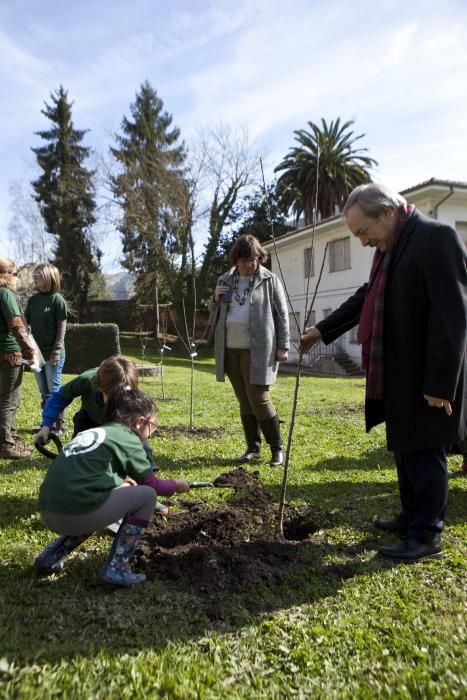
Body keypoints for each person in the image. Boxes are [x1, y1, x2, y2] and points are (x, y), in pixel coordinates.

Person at [301, 183, 466, 563]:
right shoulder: (389, 251)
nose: (361, 242)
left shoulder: (435, 238)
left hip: (427, 374)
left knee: (425, 452)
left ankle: (426, 536)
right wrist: (322, 330)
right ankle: (410, 517)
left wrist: (442, 383)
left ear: (387, 213)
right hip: (397, 371)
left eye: (363, 232)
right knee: (406, 449)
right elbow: (367, 296)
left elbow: (453, 314)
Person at [35, 386, 190, 587]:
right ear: (140, 422)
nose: (153, 431)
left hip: (48, 510)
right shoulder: (129, 439)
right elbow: (153, 484)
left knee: (95, 499)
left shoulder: (97, 432)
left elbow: (88, 479)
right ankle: (117, 568)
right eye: (153, 426)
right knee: (146, 496)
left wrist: (120, 485)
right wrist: (177, 485)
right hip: (75, 514)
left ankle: (50, 556)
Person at [213, 234, 290, 467]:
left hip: (257, 349)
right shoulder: (225, 279)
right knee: (244, 399)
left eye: (255, 259)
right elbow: (216, 311)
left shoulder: (269, 280)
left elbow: (281, 314)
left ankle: (277, 449)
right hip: (229, 348)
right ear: (236, 259)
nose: (251, 264)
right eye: (246, 259)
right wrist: (214, 299)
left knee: (259, 398)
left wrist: (283, 345)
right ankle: (252, 448)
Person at [35, 354, 158, 472]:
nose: (117, 402)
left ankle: (148, 471)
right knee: (78, 451)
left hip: (121, 421)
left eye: (124, 396)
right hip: (90, 418)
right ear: (99, 386)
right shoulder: (86, 380)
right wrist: (46, 426)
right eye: (112, 397)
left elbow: (142, 425)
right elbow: (59, 397)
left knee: (139, 442)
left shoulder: (130, 391)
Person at [0, 257, 36, 459]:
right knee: (9, 400)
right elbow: (16, 324)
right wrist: (29, 350)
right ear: (6, 275)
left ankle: (11, 438)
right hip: (10, 354)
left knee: (7, 399)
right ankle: (6, 444)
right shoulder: (5, 293)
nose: (16, 278)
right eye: (14, 274)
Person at [25, 263, 68, 435]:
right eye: (34, 275)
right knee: (44, 392)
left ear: (49, 278)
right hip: (36, 354)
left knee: (53, 390)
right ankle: (47, 425)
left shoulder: (57, 300)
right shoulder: (33, 300)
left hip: (53, 355)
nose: (34, 278)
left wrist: (56, 351)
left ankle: (60, 426)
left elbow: (62, 329)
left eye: (38, 275)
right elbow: (26, 322)